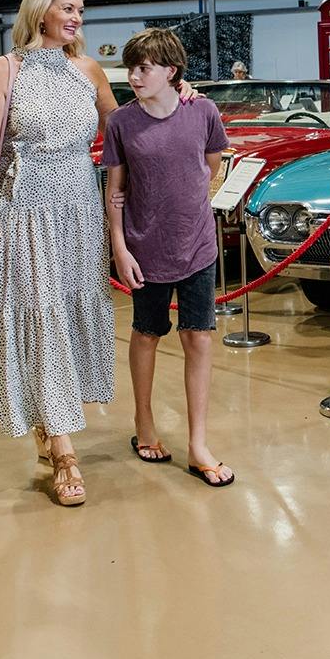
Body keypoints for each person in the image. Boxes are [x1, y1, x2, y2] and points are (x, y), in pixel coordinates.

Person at [0, 0, 120, 507]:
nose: (77, 17)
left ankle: (50, 416)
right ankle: (63, 451)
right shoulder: (1, 71)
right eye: (68, 7)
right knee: (41, 318)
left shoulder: (88, 70)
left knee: (73, 314)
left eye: (81, 9)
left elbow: (124, 132)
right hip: (27, 207)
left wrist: (178, 94)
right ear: (39, 11)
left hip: (80, 206)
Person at [104, 28, 235, 489]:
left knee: (199, 339)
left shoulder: (203, 111)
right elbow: (115, 190)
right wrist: (119, 247)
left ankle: (199, 443)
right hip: (146, 250)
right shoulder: (121, 122)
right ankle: (144, 421)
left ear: (171, 72)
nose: (134, 76)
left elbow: (211, 164)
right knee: (147, 333)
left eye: (144, 68)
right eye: (132, 68)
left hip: (197, 246)